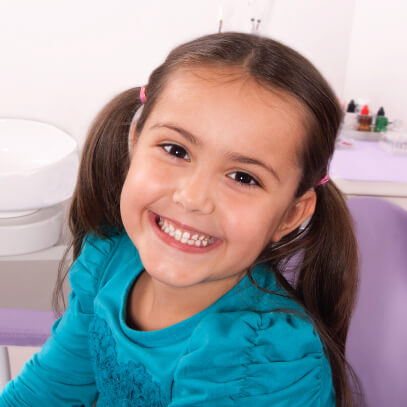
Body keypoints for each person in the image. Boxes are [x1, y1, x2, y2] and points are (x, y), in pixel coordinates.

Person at [0, 32, 361, 406]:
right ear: (135, 140)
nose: (192, 198)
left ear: (290, 214)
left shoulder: (257, 360)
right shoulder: (107, 257)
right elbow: (45, 392)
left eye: (243, 177)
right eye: (176, 150)